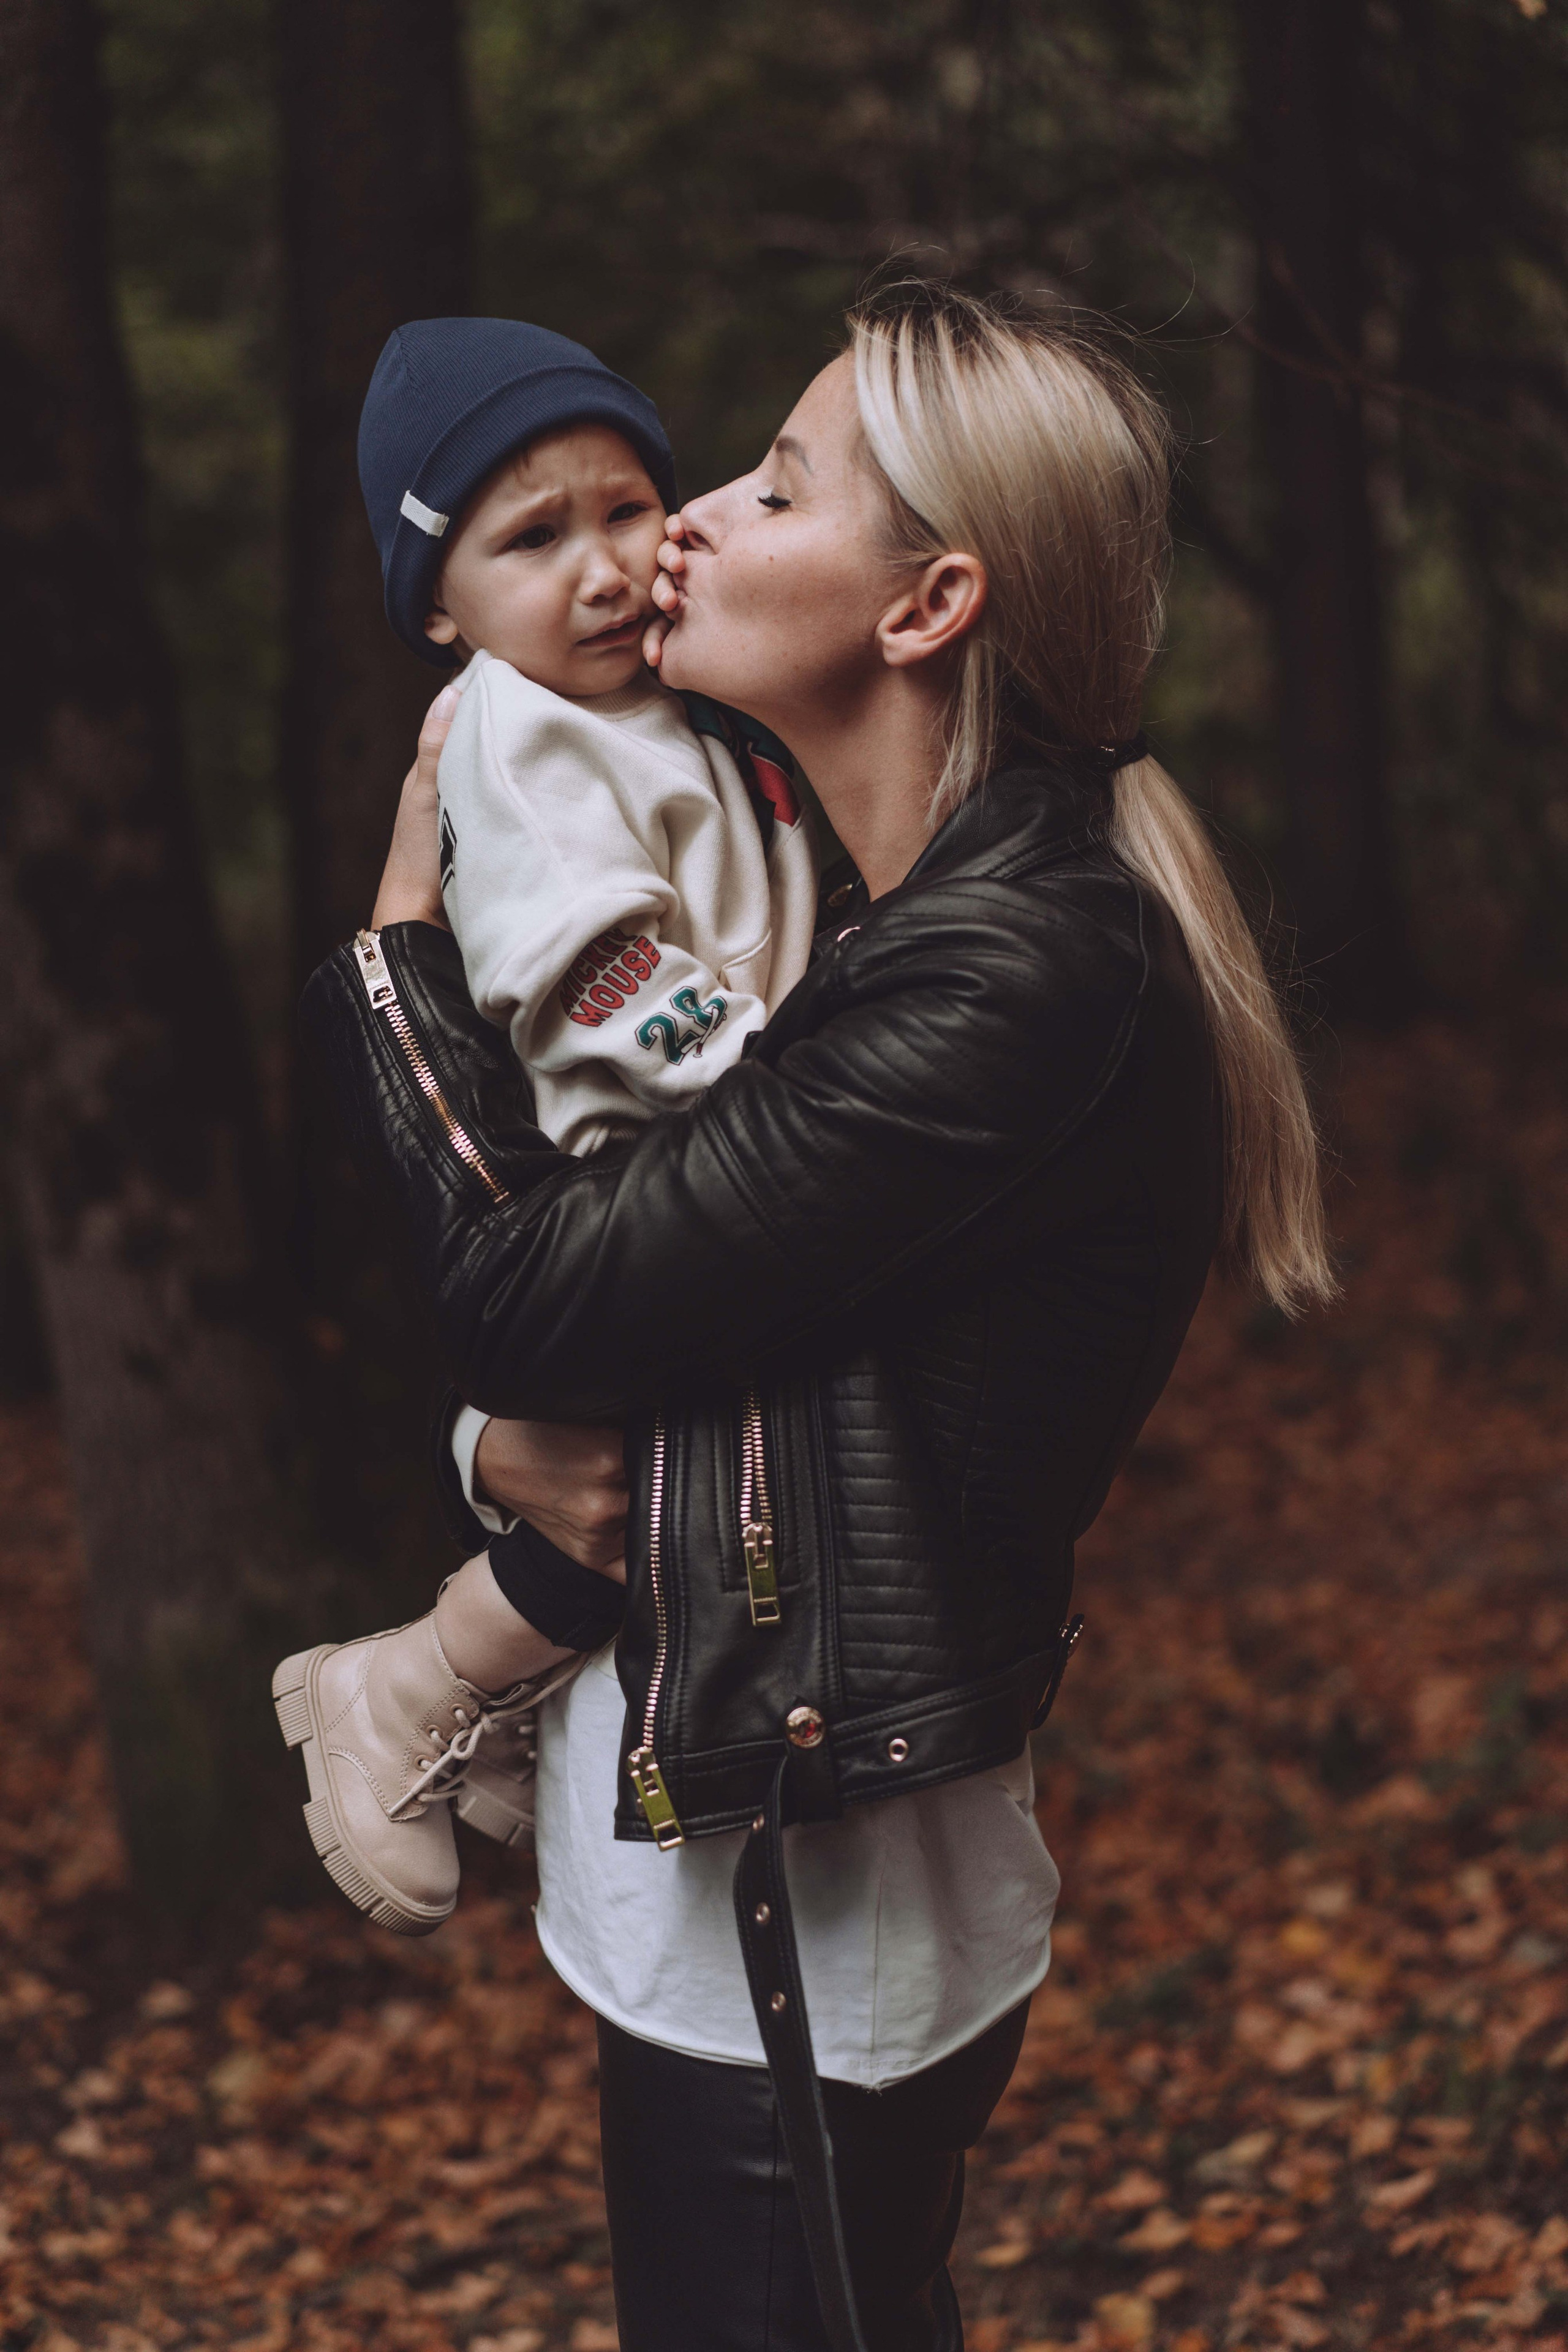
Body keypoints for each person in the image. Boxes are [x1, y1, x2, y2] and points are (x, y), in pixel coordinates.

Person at [303, 284, 1335, 2352]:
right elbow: (700, 1334)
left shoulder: (1007, 979)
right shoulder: (867, 910)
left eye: (770, 485)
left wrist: (401, 954)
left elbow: (537, 1295)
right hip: (716, 1857)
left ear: (928, 604)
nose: (681, 525)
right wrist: (493, 1460)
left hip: (806, 1919)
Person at [272, 317, 817, 1936]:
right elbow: (601, 970)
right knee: (639, 1477)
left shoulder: (672, 716)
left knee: (676, 1485)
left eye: (628, 507)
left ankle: (502, 1701)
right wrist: (776, 1080)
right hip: (638, 1154)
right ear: (441, 609)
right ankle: (417, 1682)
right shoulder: (518, 738)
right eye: (532, 538)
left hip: (706, 1144)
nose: (603, 567)